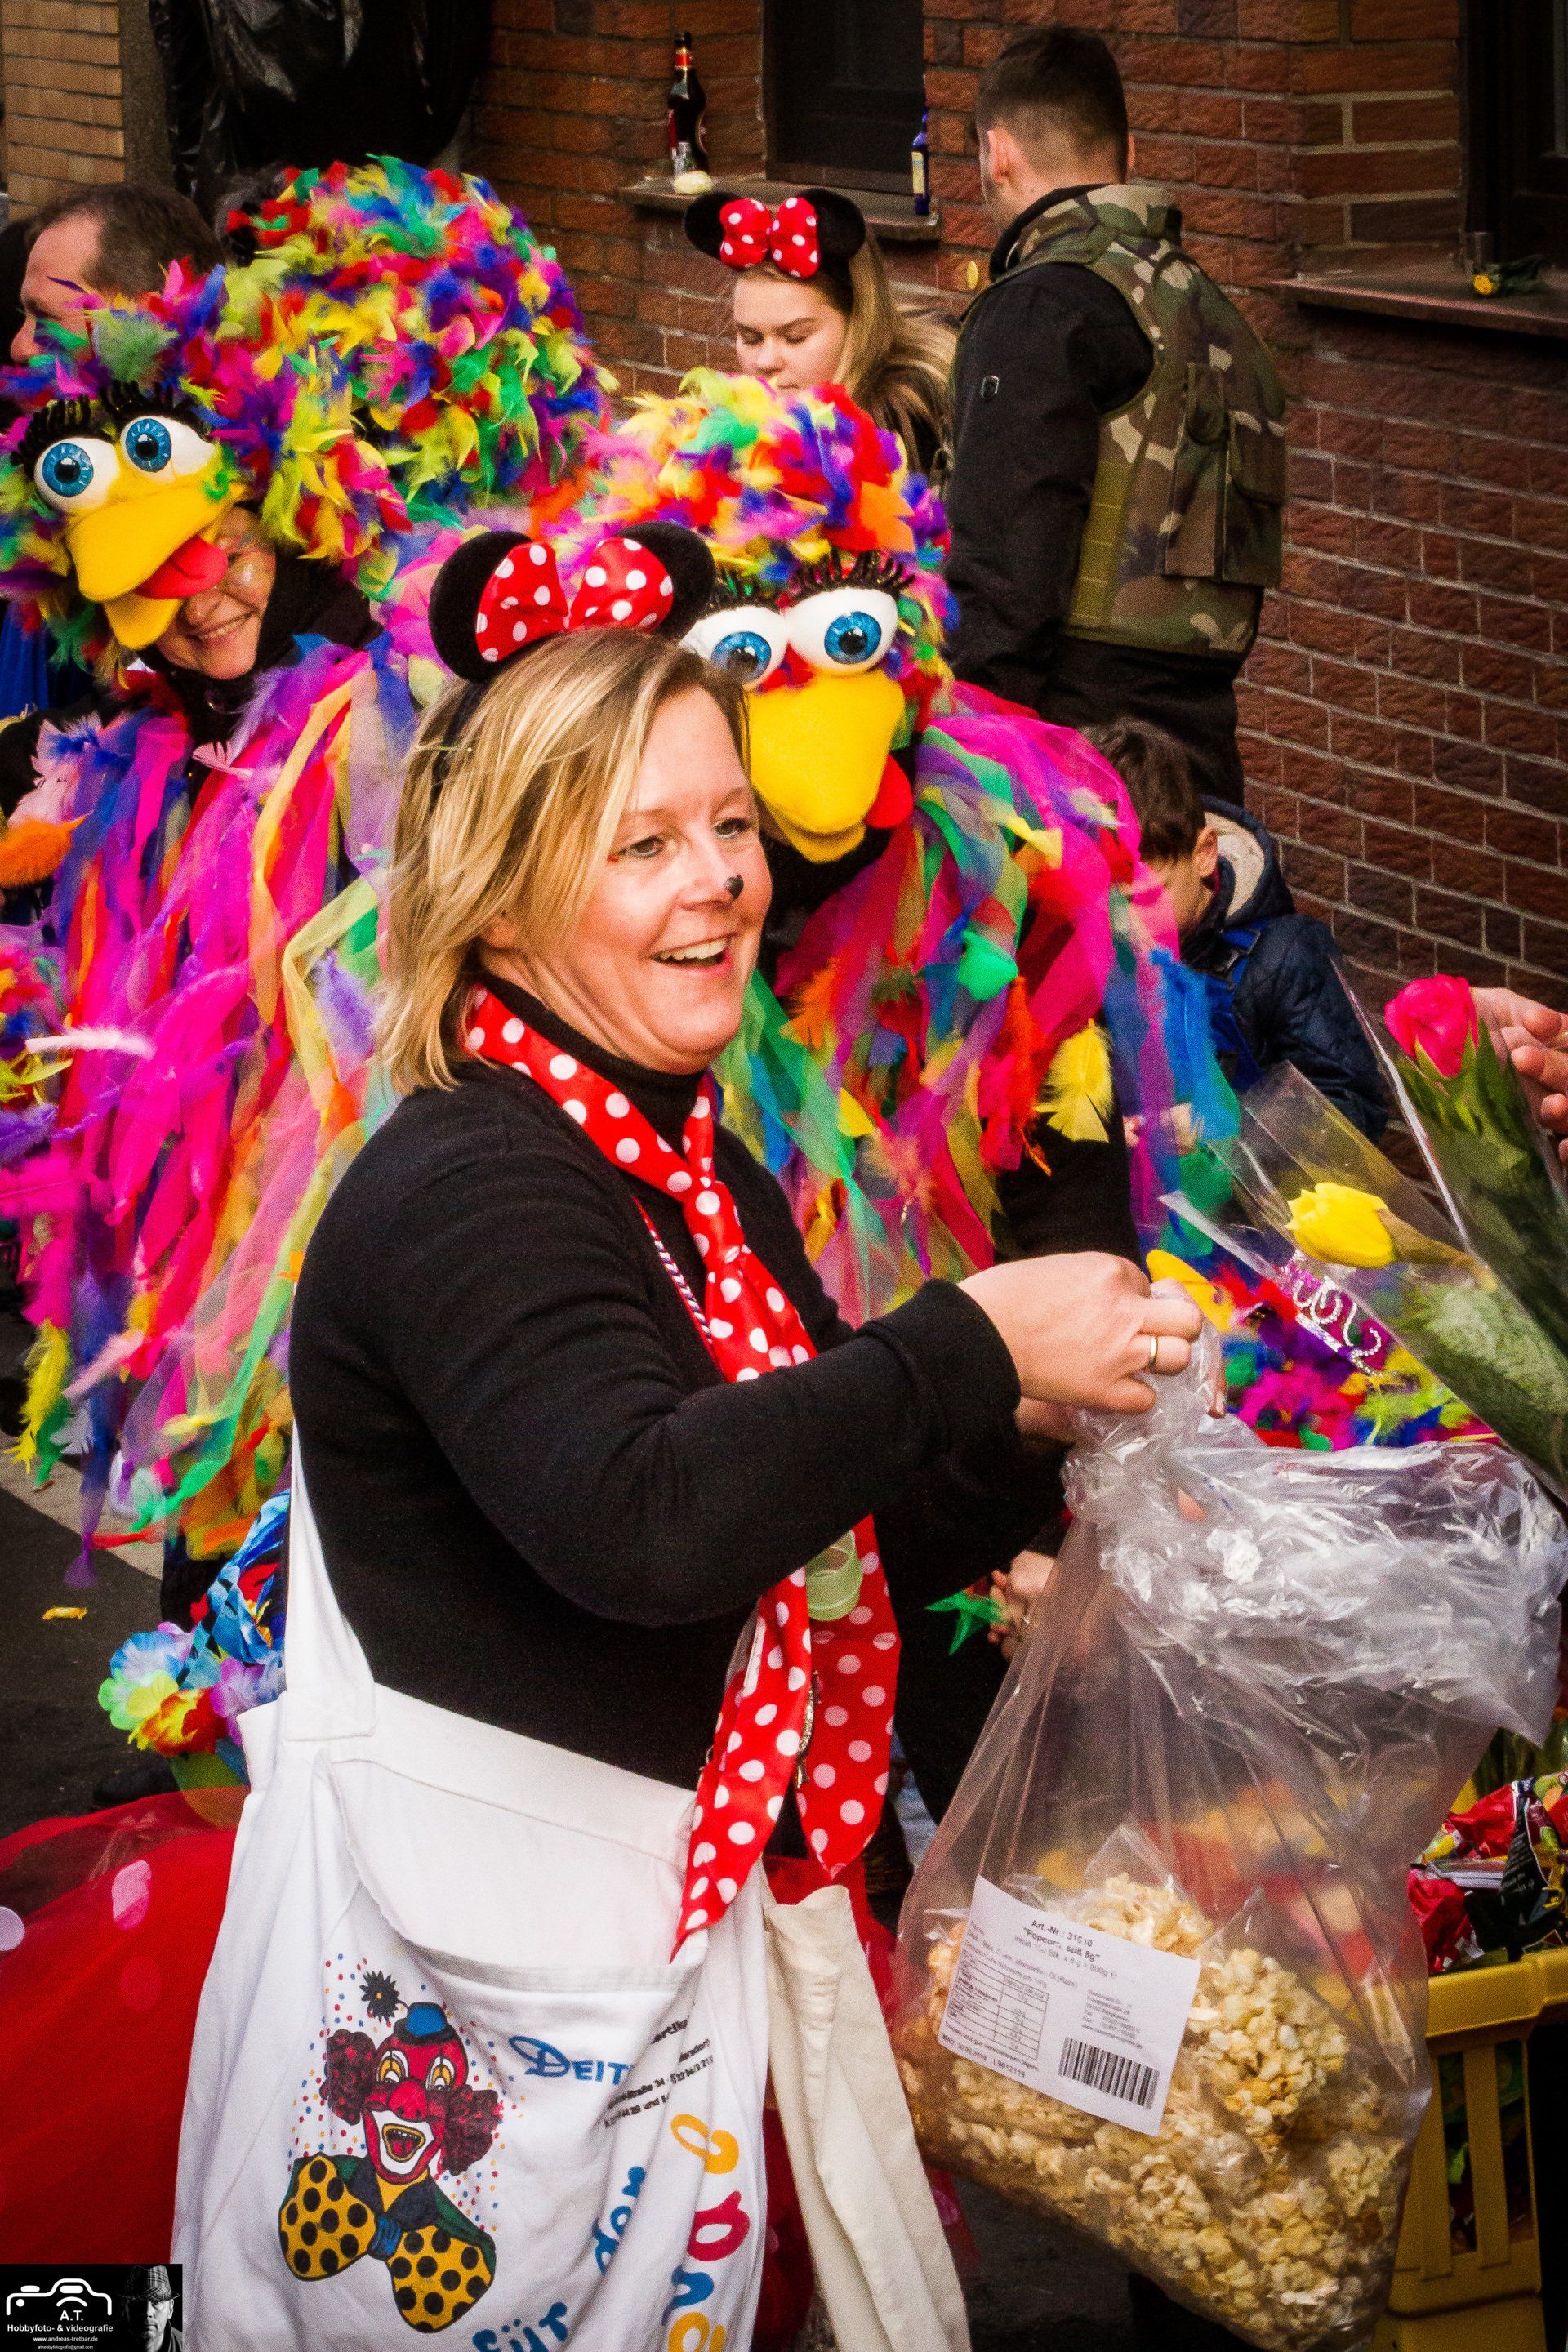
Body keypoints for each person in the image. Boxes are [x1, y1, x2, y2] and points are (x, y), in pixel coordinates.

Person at [169, 541, 1201, 2342]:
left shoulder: (682, 1167)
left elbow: (814, 1530)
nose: (718, 877)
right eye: (641, 844)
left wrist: (1032, 1416)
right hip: (482, 2020)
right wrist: (965, 1339)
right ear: (502, 904)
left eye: (727, 827)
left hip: (646, 1991)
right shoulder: (479, 1179)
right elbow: (645, 1520)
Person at [0, 160, 602, 1619]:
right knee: (220, 1620)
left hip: (380, 1254)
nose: (199, 602)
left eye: (225, 560)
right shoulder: (140, 733)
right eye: (150, 593)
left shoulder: (389, 709)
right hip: (204, 1288)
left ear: (276, 507)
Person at [944, 26, 1285, 805]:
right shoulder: (1216, 317)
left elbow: (1005, 573)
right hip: (1195, 766)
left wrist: (965, 767)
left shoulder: (1041, 305)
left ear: (997, 153)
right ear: (1128, 153)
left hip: (1071, 763)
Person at [1089, 716, 1386, 1138]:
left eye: (1145, 897)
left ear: (1204, 854)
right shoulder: (1093, 941)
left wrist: (1226, 1129)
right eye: (1108, 902)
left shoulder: (1285, 957)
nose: (1126, 926)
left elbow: (1354, 1105)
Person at [0, 185, 225, 728]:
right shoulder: (52, 480)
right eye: (23, 317)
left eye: (43, 318)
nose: (19, 346)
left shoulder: (223, 527)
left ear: (143, 323)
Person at [684, 186, 954, 474]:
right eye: (750, 338)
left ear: (859, 323)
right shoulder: (730, 430)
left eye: (795, 338)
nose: (765, 361)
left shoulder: (909, 425)